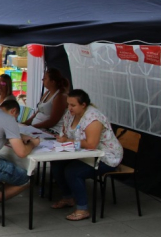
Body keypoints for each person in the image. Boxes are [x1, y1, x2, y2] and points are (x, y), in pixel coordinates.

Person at [51, 89, 123, 221]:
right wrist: (63, 139)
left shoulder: (93, 118)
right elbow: (66, 133)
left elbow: (91, 145)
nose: (69, 108)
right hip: (84, 154)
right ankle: (68, 197)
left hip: (105, 157)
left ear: (83, 105)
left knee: (73, 171)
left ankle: (82, 208)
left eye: (73, 105)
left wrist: (69, 142)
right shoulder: (70, 114)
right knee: (57, 163)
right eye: (68, 104)